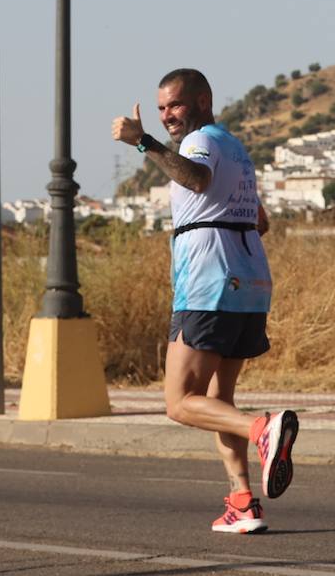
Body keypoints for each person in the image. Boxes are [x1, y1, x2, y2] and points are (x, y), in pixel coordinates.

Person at [112, 68, 297, 534]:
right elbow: (260, 220)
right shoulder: (234, 148)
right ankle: (242, 503)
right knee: (220, 400)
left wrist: (143, 143)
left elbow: (194, 179)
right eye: (161, 109)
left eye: (174, 105)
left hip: (209, 285)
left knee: (179, 403)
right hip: (250, 284)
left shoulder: (200, 143)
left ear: (201, 99)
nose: (167, 115)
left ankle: (263, 429)